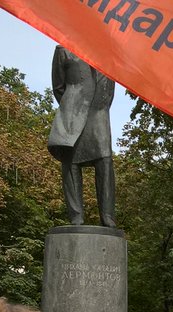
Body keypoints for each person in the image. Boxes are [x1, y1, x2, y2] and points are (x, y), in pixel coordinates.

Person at [48, 46, 116, 228]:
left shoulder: (107, 50)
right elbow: (58, 87)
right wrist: (72, 103)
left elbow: (110, 88)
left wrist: (99, 105)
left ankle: (108, 216)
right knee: (71, 161)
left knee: (105, 160)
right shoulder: (63, 49)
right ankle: (76, 215)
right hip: (73, 110)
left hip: (99, 111)